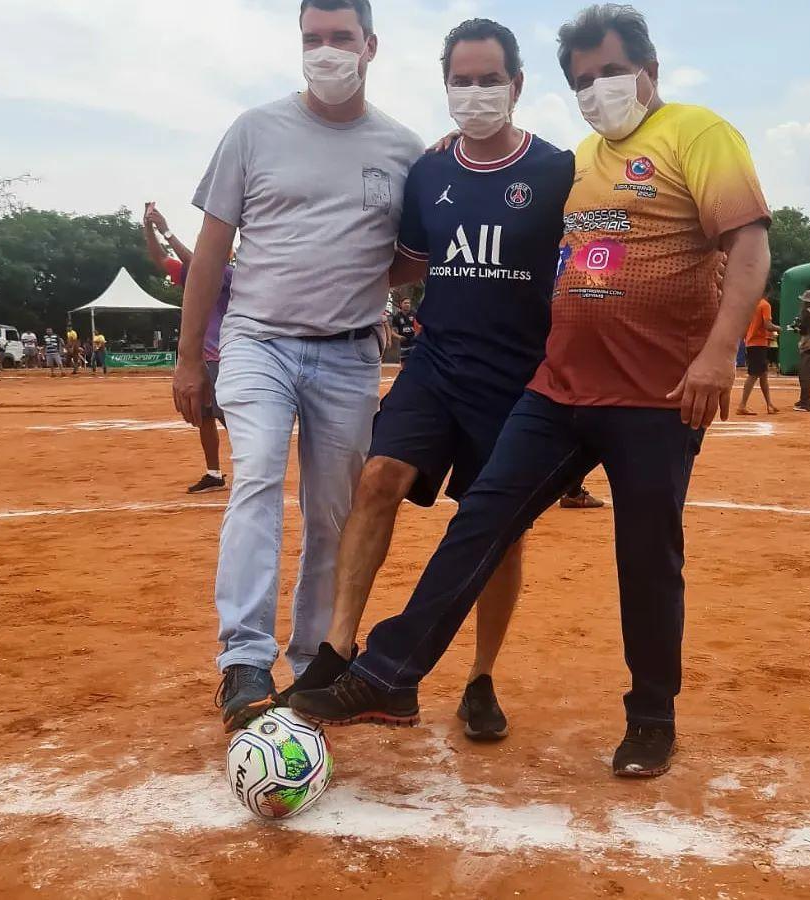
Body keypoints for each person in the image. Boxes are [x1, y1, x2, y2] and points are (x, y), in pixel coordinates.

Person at [291, 3, 771, 780]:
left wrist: (720, 355)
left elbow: (748, 243)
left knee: (647, 556)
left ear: (650, 69)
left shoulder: (697, 132)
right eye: (583, 79)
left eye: (612, 71)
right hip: (558, 388)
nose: (599, 89)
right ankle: (384, 674)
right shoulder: (579, 159)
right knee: (479, 522)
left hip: (654, 396)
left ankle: (651, 716)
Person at [281, 18, 575, 741]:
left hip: (516, 382)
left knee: (498, 534)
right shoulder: (431, 172)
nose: (474, 93)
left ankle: (481, 679)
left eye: (488, 80)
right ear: (445, 85)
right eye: (461, 81)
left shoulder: (559, 170)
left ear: (517, 84)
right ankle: (340, 648)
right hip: (436, 364)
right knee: (377, 477)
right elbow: (406, 261)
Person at [172, 0, 424, 733]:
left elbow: (412, 254)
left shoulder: (404, 150)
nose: (325, 51)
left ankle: (317, 661)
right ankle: (244, 662)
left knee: (332, 510)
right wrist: (193, 359)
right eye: (312, 39)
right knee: (253, 472)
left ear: (370, 45)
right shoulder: (255, 131)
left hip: (349, 352)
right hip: (258, 340)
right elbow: (212, 248)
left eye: (340, 37)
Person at [144, 202, 232, 494]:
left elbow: (197, 263)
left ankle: (252, 472)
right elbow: (159, 258)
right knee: (205, 416)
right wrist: (149, 227)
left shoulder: (227, 274)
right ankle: (214, 473)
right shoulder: (195, 276)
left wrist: (166, 229)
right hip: (203, 359)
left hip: (224, 357)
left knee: (231, 417)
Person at [737, 294, 779, 415]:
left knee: (763, 374)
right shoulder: (765, 305)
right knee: (754, 374)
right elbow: (768, 325)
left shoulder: (751, 306)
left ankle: (769, 404)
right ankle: (742, 405)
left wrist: (746, 339)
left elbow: (745, 327)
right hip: (758, 343)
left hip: (753, 343)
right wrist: (780, 329)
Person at [389, 297, 418, 369]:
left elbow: (420, 327)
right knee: (404, 364)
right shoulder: (397, 317)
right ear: (401, 304)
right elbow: (393, 331)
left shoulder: (415, 315)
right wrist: (399, 337)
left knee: (416, 362)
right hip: (404, 345)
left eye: (409, 303)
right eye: (405, 303)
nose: (407, 304)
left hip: (415, 343)